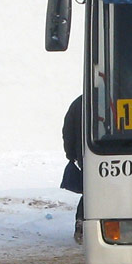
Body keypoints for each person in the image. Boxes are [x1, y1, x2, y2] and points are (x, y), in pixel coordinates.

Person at [59, 95, 84, 244]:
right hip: (113, 152)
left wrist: (71, 154)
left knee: (90, 192)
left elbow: (67, 131)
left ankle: (81, 221)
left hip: (85, 156)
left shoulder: (78, 103)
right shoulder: (113, 97)